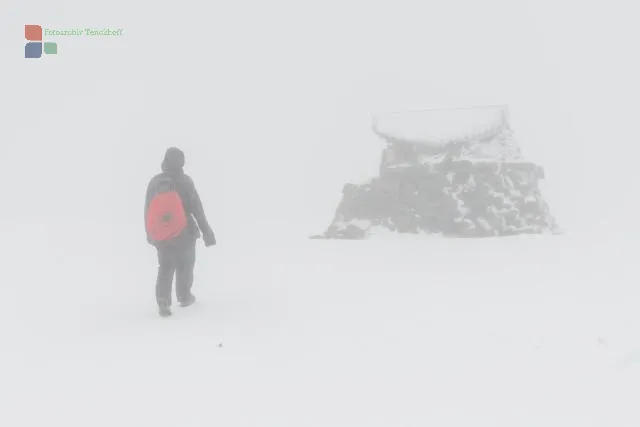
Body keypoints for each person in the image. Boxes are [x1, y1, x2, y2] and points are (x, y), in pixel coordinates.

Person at [144, 147, 216, 317]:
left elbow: (148, 210)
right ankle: (184, 295)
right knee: (186, 265)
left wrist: (150, 234)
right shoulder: (185, 181)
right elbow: (197, 209)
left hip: (162, 235)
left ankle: (163, 299)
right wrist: (207, 232)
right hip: (185, 233)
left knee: (165, 267)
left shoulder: (155, 182)